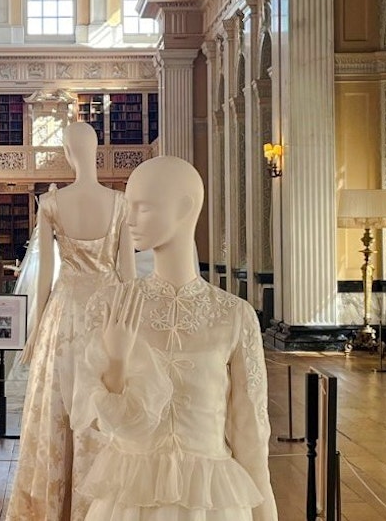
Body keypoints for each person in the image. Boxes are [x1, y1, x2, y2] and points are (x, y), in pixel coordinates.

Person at [72, 156, 277, 520]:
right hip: (130, 498)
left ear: (184, 208)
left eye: (144, 207)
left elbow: (250, 431)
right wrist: (117, 361)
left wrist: (266, 514)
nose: (129, 219)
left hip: (211, 500)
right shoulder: (111, 305)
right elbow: (100, 425)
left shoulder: (234, 315)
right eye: (128, 205)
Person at [6, 122, 136, 521]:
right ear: (97, 149)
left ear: (66, 152)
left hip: (64, 314)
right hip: (109, 314)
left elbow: (46, 273)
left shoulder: (51, 203)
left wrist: (35, 328)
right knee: (104, 404)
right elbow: (129, 277)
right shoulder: (120, 202)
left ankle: (57, 506)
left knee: (58, 408)